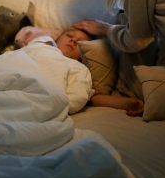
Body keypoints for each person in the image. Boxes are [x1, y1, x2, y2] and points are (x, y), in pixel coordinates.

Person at [15, 25, 146, 116]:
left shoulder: (77, 69)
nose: (73, 40)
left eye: (81, 41)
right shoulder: (43, 45)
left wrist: (128, 103)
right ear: (57, 39)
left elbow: (90, 97)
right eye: (69, 35)